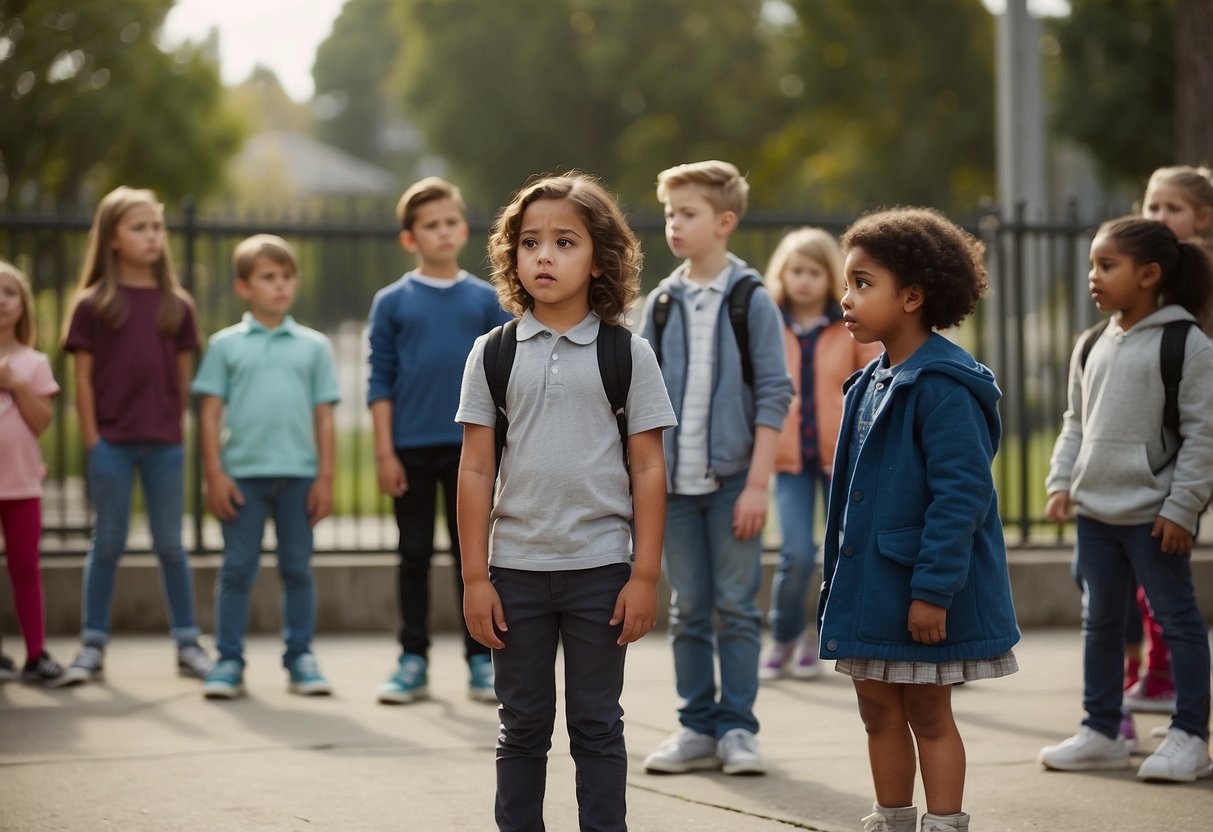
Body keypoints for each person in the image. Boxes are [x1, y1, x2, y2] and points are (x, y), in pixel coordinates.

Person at [456, 173, 675, 832]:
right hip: (515, 571)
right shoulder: (490, 354)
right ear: (511, 256)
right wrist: (473, 578)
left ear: (599, 259)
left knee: (596, 725)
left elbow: (647, 466)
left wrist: (642, 576)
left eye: (563, 241)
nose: (543, 256)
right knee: (520, 728)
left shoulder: (626, 353)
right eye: (529, 242)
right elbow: (473, 468)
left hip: (602, 572)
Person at [817, 207, 1021, 832]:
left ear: (912, 296)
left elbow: (961, 498)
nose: (845, 298)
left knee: (929, 717)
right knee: (877, 711)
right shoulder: (869, 383)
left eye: (862, 283)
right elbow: (848, 501)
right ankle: (893, 816)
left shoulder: (944, 386)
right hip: (870, 591)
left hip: (918, 592)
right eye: (847, 283)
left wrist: (933, 591)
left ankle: (946, 822)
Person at [1039, 217, 1213, 783]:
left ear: (1149, 275)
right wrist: (1061, 481)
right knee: (1101, 624)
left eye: (1106, 265)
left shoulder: (1186, 343)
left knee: (1178, 621)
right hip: (1096, 514)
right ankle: (1102, 730)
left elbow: (1202, 435)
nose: (1093, 276)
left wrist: (1181, 508)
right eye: (1092, 264)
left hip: (1155, 518)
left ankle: (1190, 736)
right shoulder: (1090, 343)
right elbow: (1074, 422)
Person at [640, 160, 793, 776]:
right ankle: (695, 727)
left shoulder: (751, 299)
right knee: (688, 610)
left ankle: (737, 729)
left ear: (724, 222)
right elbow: (643, 401)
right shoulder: (660, 303)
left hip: (734, 483)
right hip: (675, 489)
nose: (674, 224)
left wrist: (757, 484)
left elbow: (774, 395)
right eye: (670, 213)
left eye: (688, 214)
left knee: (736, 607)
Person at [58, 187, 211, 685]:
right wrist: (94, 443)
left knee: (172, 544)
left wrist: (174, 429)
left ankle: (188, 643)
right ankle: (92, 645)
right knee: (107, 543)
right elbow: (81, 379)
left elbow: (183, 378)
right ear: (112, 239)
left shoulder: (178, 306)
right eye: (139, 227)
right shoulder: (91, 306)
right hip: (112, 446)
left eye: (156, 227)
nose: (152, 237)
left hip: (164, 443)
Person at [366, 176, 510, 704]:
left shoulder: (486, 301)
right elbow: (379, 379)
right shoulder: (391, 303)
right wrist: (385, 451)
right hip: (409, 449)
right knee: (413, 555)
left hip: (471, 451)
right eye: (431, 225)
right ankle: (412, 659)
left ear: (464, 228)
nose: (443, 232)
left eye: (451, 222)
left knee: (471, 557)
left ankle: (479, 659)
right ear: (410, 238)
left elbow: (505, 382)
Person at [191, 235, 340, 699]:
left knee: (297, 569)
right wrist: (213, 474)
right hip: (242, 478)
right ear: (243, 287)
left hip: (299, 477)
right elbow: (210, 414)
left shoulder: (313, 346)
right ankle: (229, 661)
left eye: (286, 277)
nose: (280, 286)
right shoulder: (224, 346)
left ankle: (300, 658)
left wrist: (326, 478)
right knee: (237, 569)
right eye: (267, 277)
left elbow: (324, 416)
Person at [759, 228, 880, 682]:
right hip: (788, 460)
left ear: (828, 276)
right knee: (796, 554)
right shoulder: (768, 320)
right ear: (783, 274)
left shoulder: (846, 323)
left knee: (844, 551)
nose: (804, 280)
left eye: (813, 271)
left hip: (839, 459)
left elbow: (868, 382)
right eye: (796, 271)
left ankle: (819, 634)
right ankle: (784, 634)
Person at [1119, 165, 1213, 722]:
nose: (1158, 218)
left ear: (1201, 218)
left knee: (1165, 565)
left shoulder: (1198, 280)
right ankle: (1140, 673)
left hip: (1191, 441)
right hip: (1151, 442)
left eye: (1171, 209)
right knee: (1132, 569)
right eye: (1152, 207)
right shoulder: (1142, 272)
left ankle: (1165, 675)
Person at [0, 259, 66, 685]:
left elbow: (41, 421)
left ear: (23, 305)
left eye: (9, 293)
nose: (0, 301)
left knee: (25, 565)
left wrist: (16, 383)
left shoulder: (35, 363)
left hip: (21, 485)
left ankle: (36, 652)